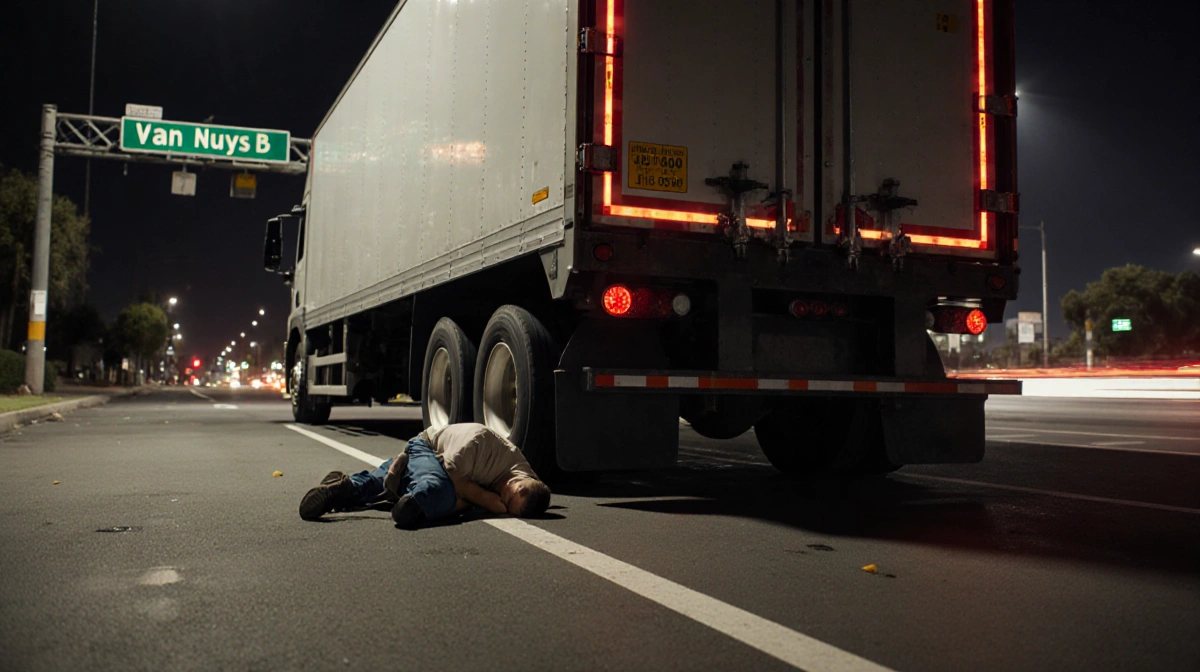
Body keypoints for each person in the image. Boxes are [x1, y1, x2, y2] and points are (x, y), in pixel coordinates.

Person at [298, 423, 551, 528]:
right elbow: (455, 480)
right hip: (426, 448)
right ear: (517, 484)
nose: (503, 505)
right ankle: (409, 502)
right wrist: (486, 500)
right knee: (440, 490)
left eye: (509, 509)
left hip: (428, 462)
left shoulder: (527, 477)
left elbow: (534, 493)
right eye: (507, 500)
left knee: (378, 482)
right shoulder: (479, 444)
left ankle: (344, 487)